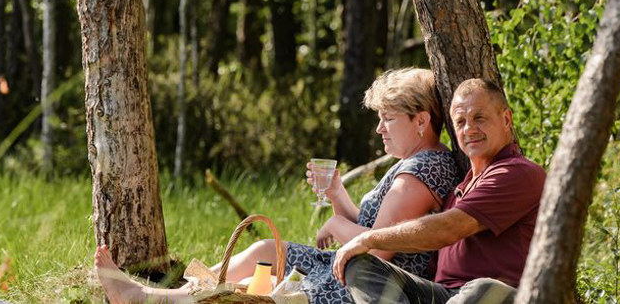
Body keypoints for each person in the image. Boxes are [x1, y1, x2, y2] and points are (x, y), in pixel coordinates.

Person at [94, 68, 461, 304]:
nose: (379, 128)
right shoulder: (416, 164)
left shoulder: (419, 172)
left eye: (388, 119)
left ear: (421, 120)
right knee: (264, 253)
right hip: (347, 267)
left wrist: (335, 224)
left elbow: (379, 251)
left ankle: (151, 298)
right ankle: (168, 295)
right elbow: (372, 229)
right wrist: (337, 195)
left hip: (362, 286)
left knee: (260, 277)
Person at [331, 78, 547, 304]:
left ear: (506, 119)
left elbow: (449, 228)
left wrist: (370, 238)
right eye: (460, 121)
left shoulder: (519, 173)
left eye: (479, 118)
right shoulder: (460, 188)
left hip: (490, 295)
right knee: (361, 264)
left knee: (483, 288)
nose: (469, 129)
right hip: (440, 295)